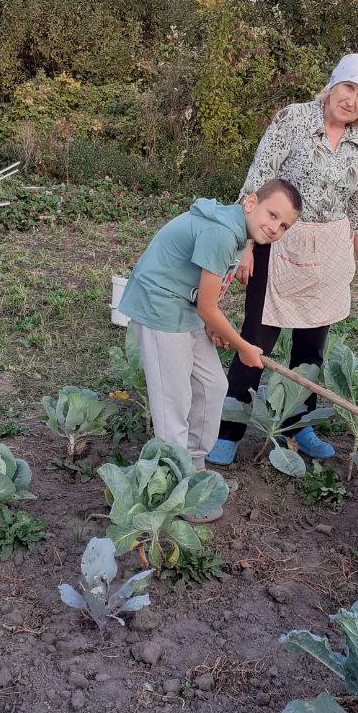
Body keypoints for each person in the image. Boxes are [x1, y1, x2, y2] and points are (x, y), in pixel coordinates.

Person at [207, 53, 358, 467]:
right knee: (255, 341)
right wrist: (247, 246)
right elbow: (258, 178)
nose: (351, 100)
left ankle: (295, 423)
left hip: (330, 251)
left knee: (311, 348)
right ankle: (229, 428)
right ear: (333, 85)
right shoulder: (293, 119)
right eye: (348, 88)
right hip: (279, 240)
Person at [117, 179, 302, 503]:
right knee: (174, 402)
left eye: (284, 225)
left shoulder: (239, 234)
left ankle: (194, 465)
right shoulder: (221, 233)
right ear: (249, 202)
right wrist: (244, 346)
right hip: (159, 306)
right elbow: (207, 306)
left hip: (184, 307)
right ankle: (174, 487)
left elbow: (206, 300)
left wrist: (214, 327)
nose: (275, 227)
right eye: (272, 215)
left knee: (213, 385)